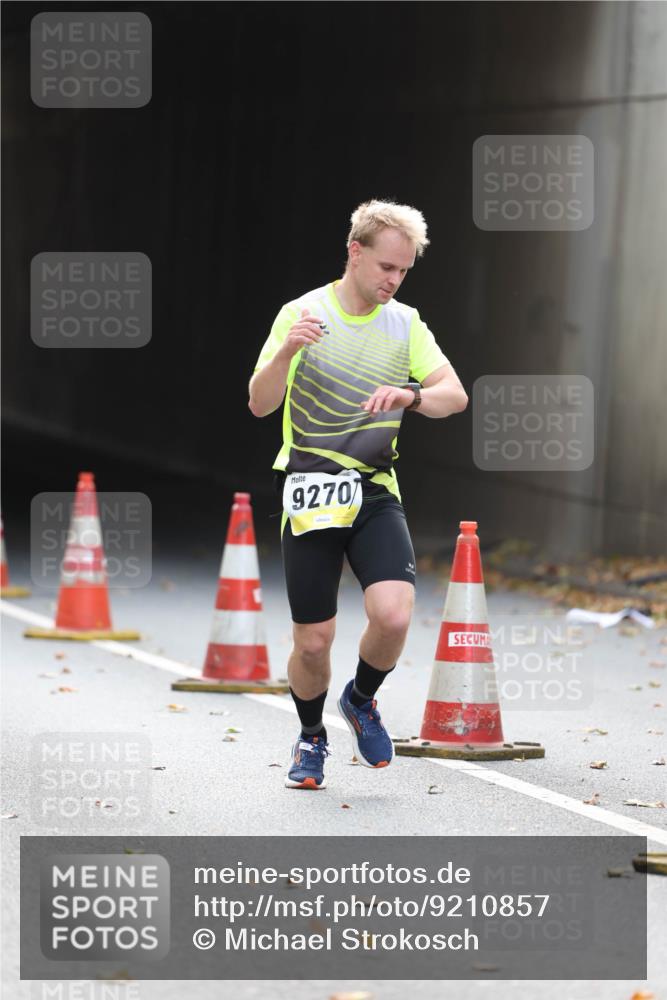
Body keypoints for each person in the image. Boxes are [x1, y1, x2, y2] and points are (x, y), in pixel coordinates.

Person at [248, 200, 468, 789]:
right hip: (311, 488)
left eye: (403, 271)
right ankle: (311, 736)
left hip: (373, 488)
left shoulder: (405, 324)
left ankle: (361, 698)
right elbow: (260, 403)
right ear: (355, 251)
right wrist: (288, 351)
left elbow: (454, 396)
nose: (393, 280)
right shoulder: (303, 314)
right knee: (313, 642)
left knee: (393, 615)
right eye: (386, 267)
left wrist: (411, 396)